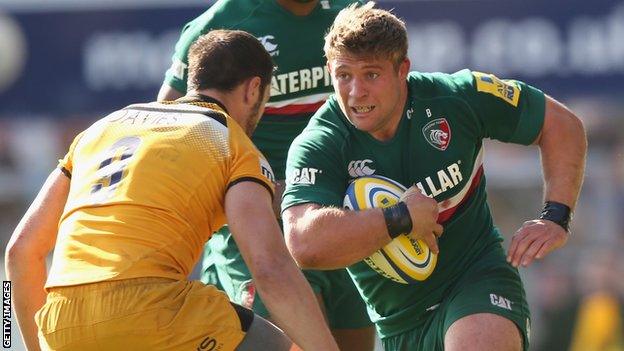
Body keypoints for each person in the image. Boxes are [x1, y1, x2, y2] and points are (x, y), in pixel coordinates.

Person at [5, 29, 339, 351]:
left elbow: (20, 252)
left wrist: (27, 343)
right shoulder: (231, 142)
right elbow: (269, 268)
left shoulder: (100, 129)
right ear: (254, 90)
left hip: (63, 326)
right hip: (154, 312)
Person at [281, 2, 587, 351]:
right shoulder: (320, 142)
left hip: (476, 280)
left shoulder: (457, 97)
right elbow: (304, 244)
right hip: (398, 324)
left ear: (402, 70)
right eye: (344, 75)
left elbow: (561, 124)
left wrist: (556, 216)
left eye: (372, 74)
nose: (356, 92)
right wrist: (399, 217)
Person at [158, 1, 375, 349]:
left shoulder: (351, 15)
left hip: (343, 219)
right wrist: (262, 195)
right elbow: (171, 134)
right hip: (263, 228)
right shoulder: (220, 26)